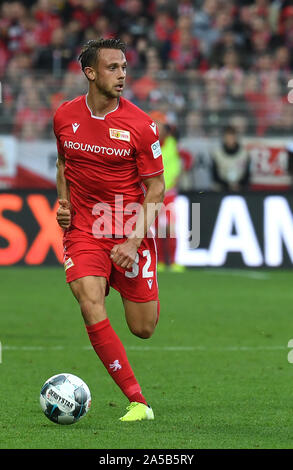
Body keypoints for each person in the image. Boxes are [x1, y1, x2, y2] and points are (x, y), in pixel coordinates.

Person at [54, 38, 165, 422]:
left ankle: (124, 277)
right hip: (84, 230)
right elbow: (63, 164)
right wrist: (62, 201)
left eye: (123, 67)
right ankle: (138, 401)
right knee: (89, 300)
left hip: (128, 231)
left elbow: (156, 188)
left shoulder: (140, 125)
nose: (122, 75)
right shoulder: (65, 116)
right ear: (90, 73)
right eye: (113, 68)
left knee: (143, 328)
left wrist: (134, 241)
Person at [149, 110, 185, 273]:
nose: (159, 128)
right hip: (153, 192)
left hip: (169, 192)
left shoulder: (171, 142)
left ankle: (173, 260)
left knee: (170, 227)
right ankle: (160, 262)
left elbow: (181, 161)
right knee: (155, 228)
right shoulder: (146, 143)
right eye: (157, 124)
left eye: (161, 125)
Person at [211, 125, 250, 192]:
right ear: (224, 138)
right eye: (228, 136)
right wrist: (227, 185)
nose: (230, 139)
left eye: (232, 136)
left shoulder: (244, 154)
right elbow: (215, 175)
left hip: (241, 189)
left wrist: (239, 185)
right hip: (221, 189)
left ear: (236, 137)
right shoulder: (217, 154)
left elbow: (247, 174)